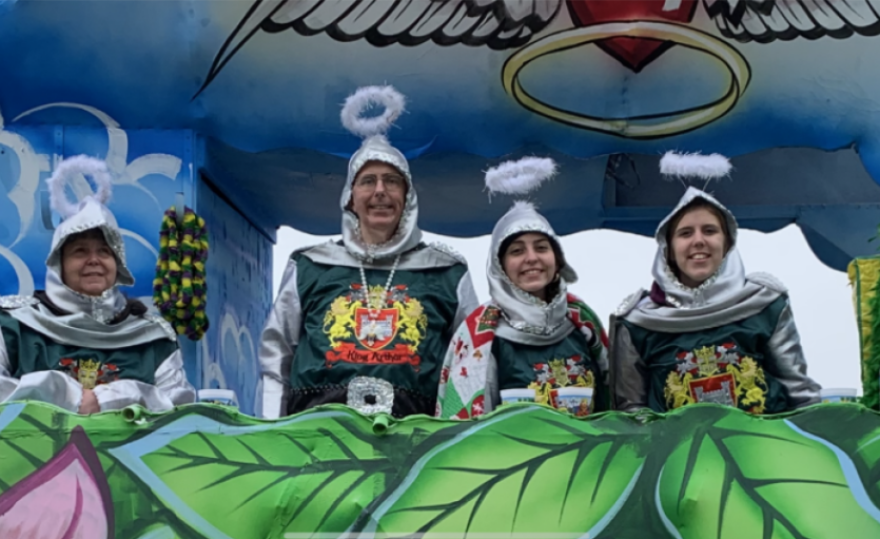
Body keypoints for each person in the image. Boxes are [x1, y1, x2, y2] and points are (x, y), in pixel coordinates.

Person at [259, 86, 478, 418]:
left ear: (407, 196)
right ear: (350, 197)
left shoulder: (446, 272)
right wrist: (272, 430)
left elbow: (469, 364)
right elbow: (276, 357)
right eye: (368, 181)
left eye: (392, 181)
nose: (380, 191)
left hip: (416, 436)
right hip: (315, 435)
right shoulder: (310, 266)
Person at [611, 155, 821, 414]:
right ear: (669, 249)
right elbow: (631, 410)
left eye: (710, 231)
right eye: (685, 233)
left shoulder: (764, 303)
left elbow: (800, 394)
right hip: (677, 442)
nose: (699, 241)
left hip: (761, 439)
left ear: (727, 243)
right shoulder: (638, 321)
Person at [0, 155, 195, 413]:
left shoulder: (154, 339)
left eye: (104, 251)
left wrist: (121, 397)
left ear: (117, 264)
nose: (94, 260)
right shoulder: (13, 327)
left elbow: (179, 411)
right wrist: (59, 391)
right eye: (80, 251)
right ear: (59, 264)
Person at [436, 158, 609, 419]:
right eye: (517, 251)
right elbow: (466, 427)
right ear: (500, 266)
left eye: (541, 248)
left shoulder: (583, 322)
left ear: (557, 259)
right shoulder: (480, 332)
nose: (531, 258)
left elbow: (612, 402)